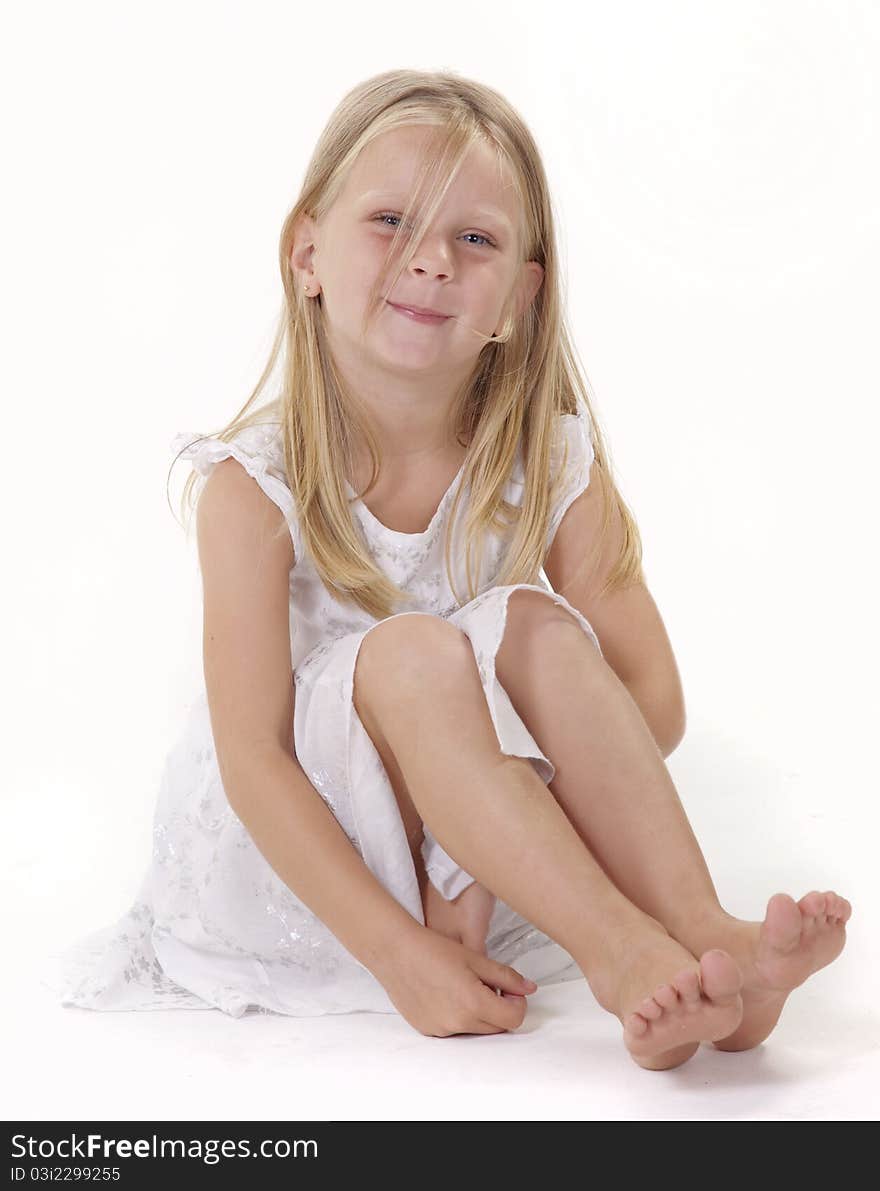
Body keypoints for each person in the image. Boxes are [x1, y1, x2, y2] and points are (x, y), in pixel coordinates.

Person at [43, 69, 850, 1071]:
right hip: (303, 874)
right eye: (390, 220)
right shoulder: (252, 487)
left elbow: (651, 696)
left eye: (474, 239)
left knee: (537, 624)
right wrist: (398, 953)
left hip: (481, 876)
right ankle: (619, 949)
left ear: (519, 296)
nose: (430, 261)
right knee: (415, 653)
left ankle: (697, 931)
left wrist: (481, 838)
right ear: (307, 255)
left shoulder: (545, 461)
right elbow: (254, 765)